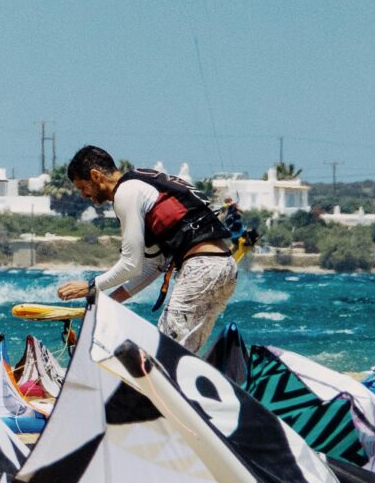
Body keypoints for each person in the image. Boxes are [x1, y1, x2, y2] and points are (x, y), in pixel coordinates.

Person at [55, 146, 240, 351]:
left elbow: (130, 264)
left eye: (82, 187)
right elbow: (153, 266)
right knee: (181, 353)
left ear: (95, 176)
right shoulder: (142, 182)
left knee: (165, 354)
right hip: (224, 267)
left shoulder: (126, 192)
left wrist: (91, 286)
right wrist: (109, 303)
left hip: (201, 269)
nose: (83, 195)